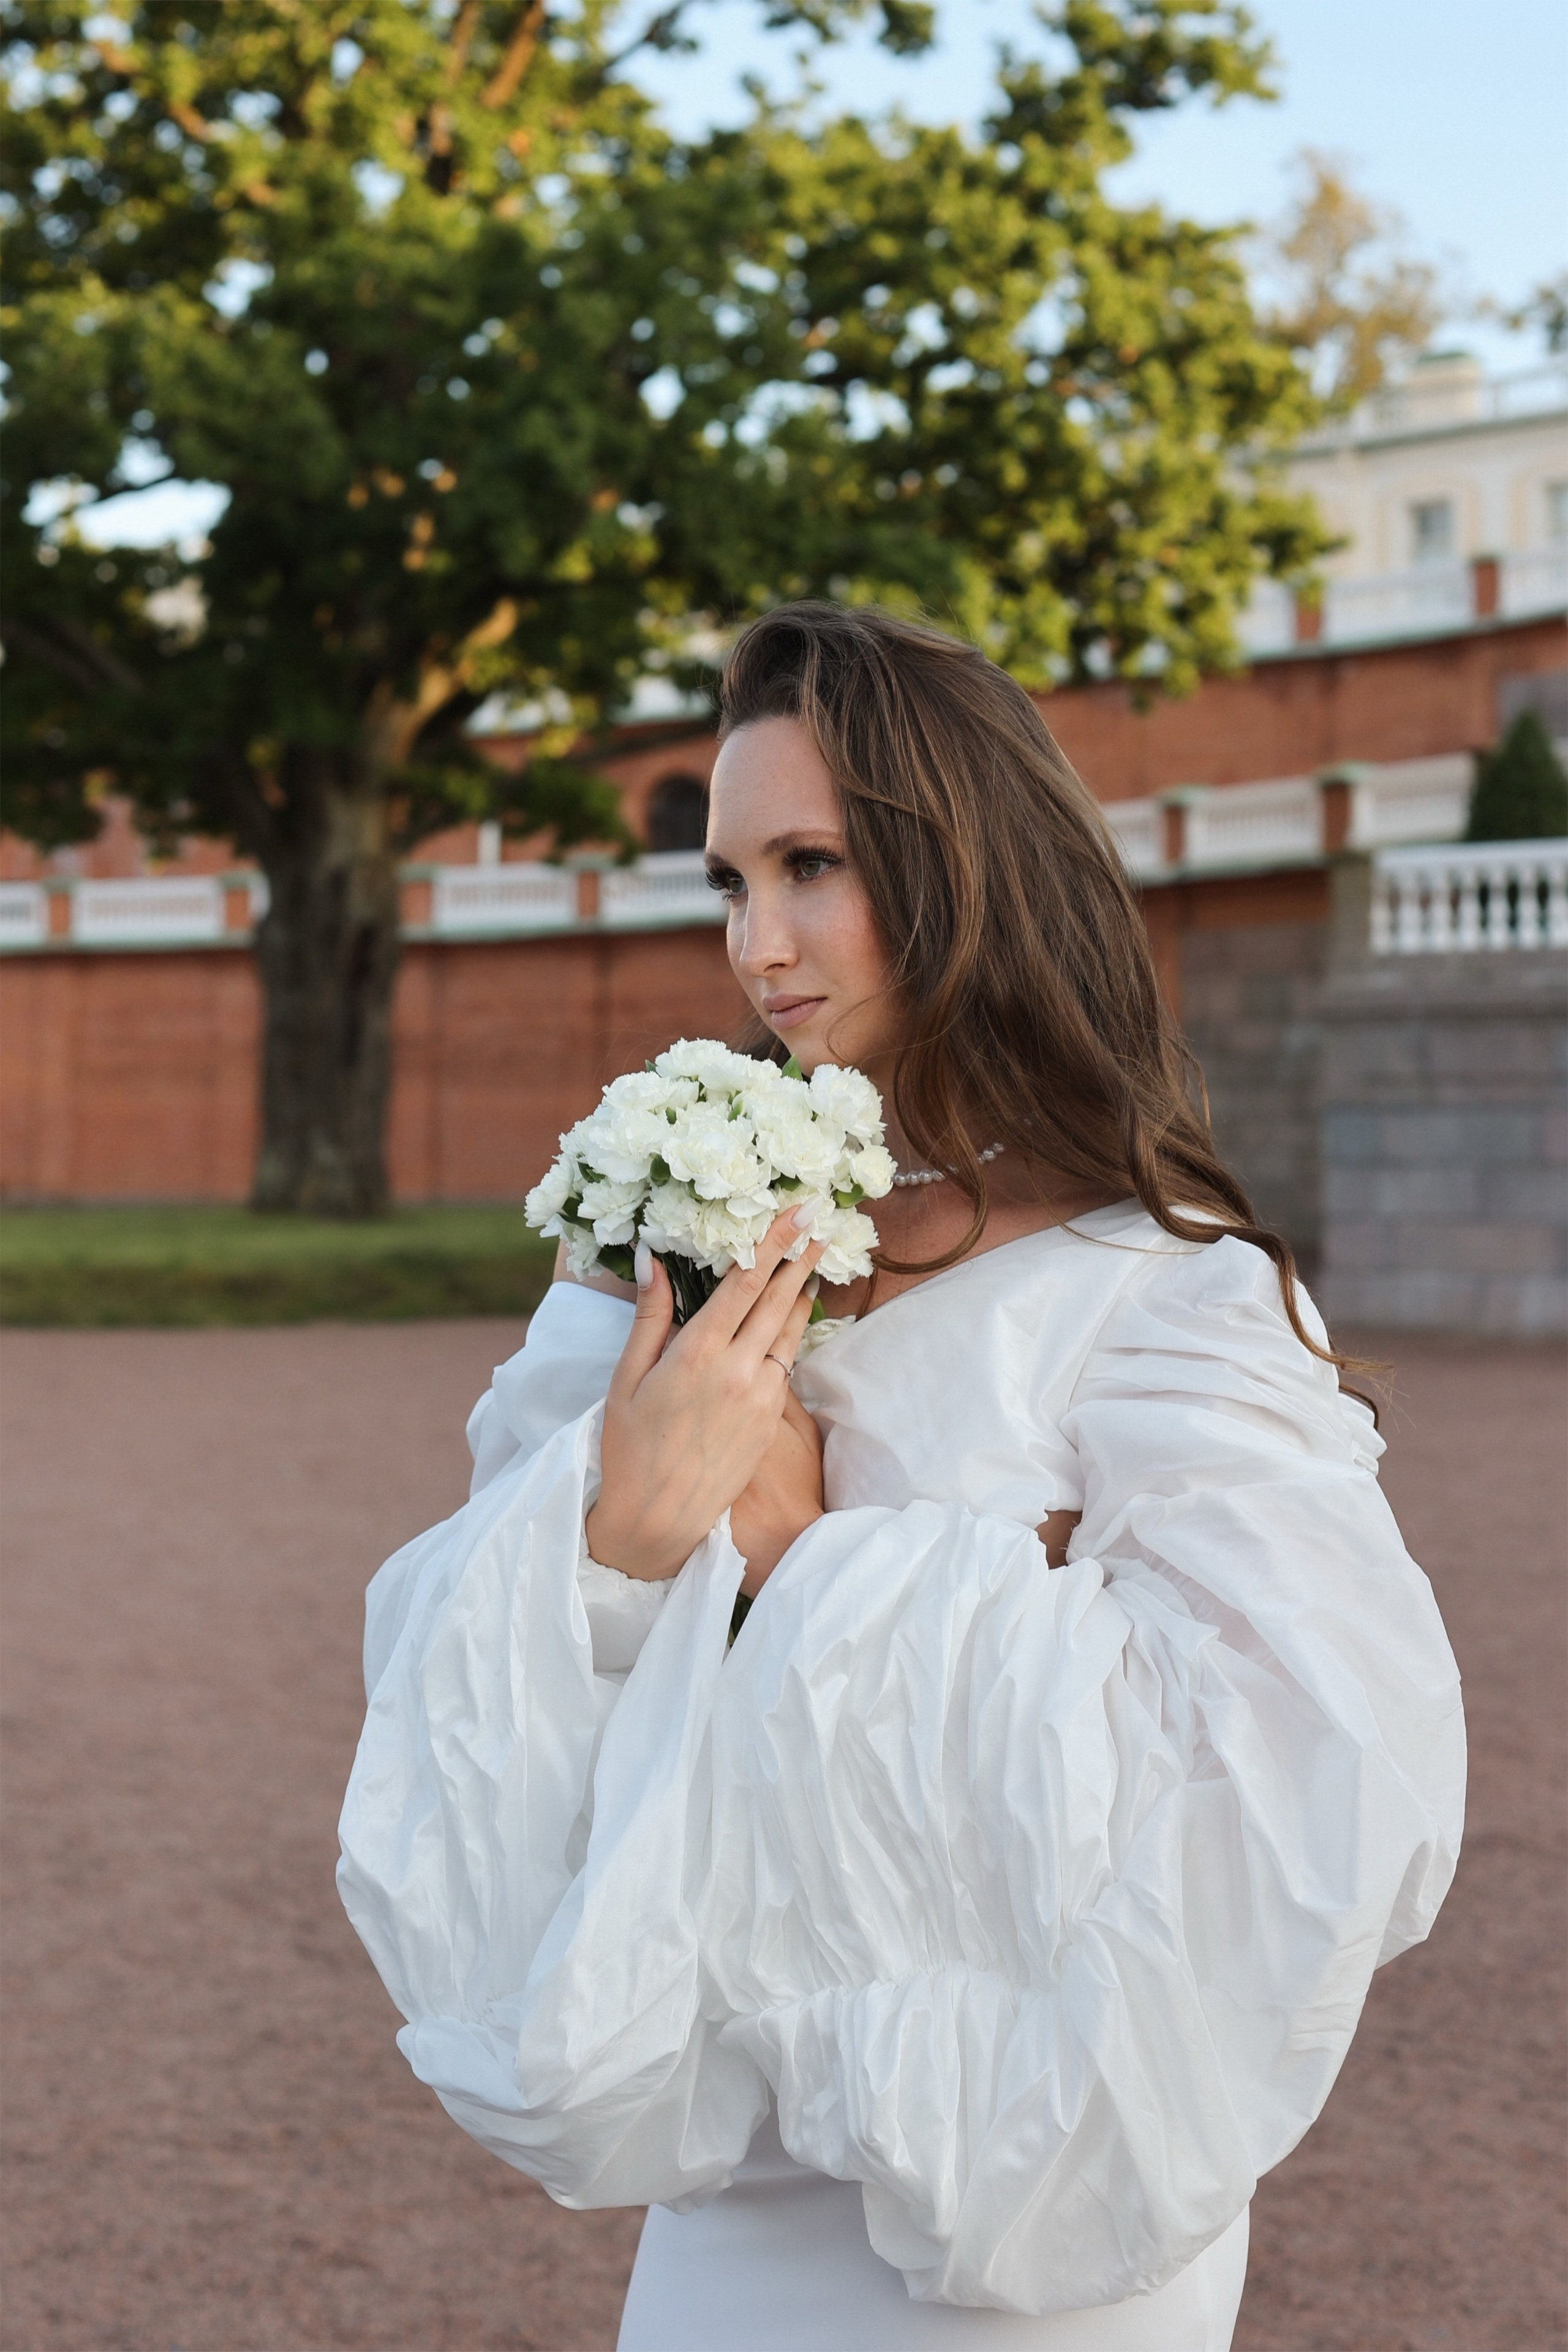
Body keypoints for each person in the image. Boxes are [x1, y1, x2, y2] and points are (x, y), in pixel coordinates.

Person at [338, 603, 1464, 2351]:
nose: (760, 945)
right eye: (729, 882)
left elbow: (1316, 1788)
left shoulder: (1161, 1294)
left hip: (1035, 2153)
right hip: (731, 2174)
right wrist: (623, 1537)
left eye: (814, 866)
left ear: (967, 865)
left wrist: (805, 1554)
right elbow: (450, 1704)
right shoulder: (665, 1264)